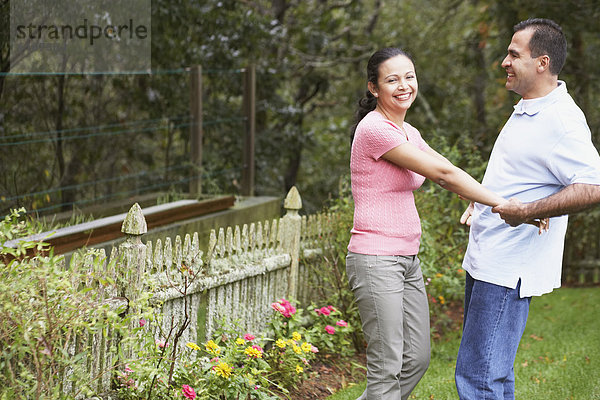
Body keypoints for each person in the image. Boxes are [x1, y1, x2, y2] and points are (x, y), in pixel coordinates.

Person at [346, 47, 517, 400]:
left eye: (409, 76)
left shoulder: (408, 131)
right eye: (392, 79)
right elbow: (442, 175)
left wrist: (475, 196)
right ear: (374, 88)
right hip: (376, 259)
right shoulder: (375, 129)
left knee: (417, 359)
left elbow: (447, 168)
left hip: (407, 259)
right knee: (387, 366)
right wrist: (505, 205)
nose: (404, 85)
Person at [455, 18, 600, 400]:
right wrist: (481, 199)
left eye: (513, 54)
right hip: (487, 257)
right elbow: (519, 175)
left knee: (479, 377)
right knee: (493, 376)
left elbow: (592, 186)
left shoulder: (562, 120)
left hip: (508, 266)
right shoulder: (528, 108)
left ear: (542, 62)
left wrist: (528, 211)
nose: (504, 61)